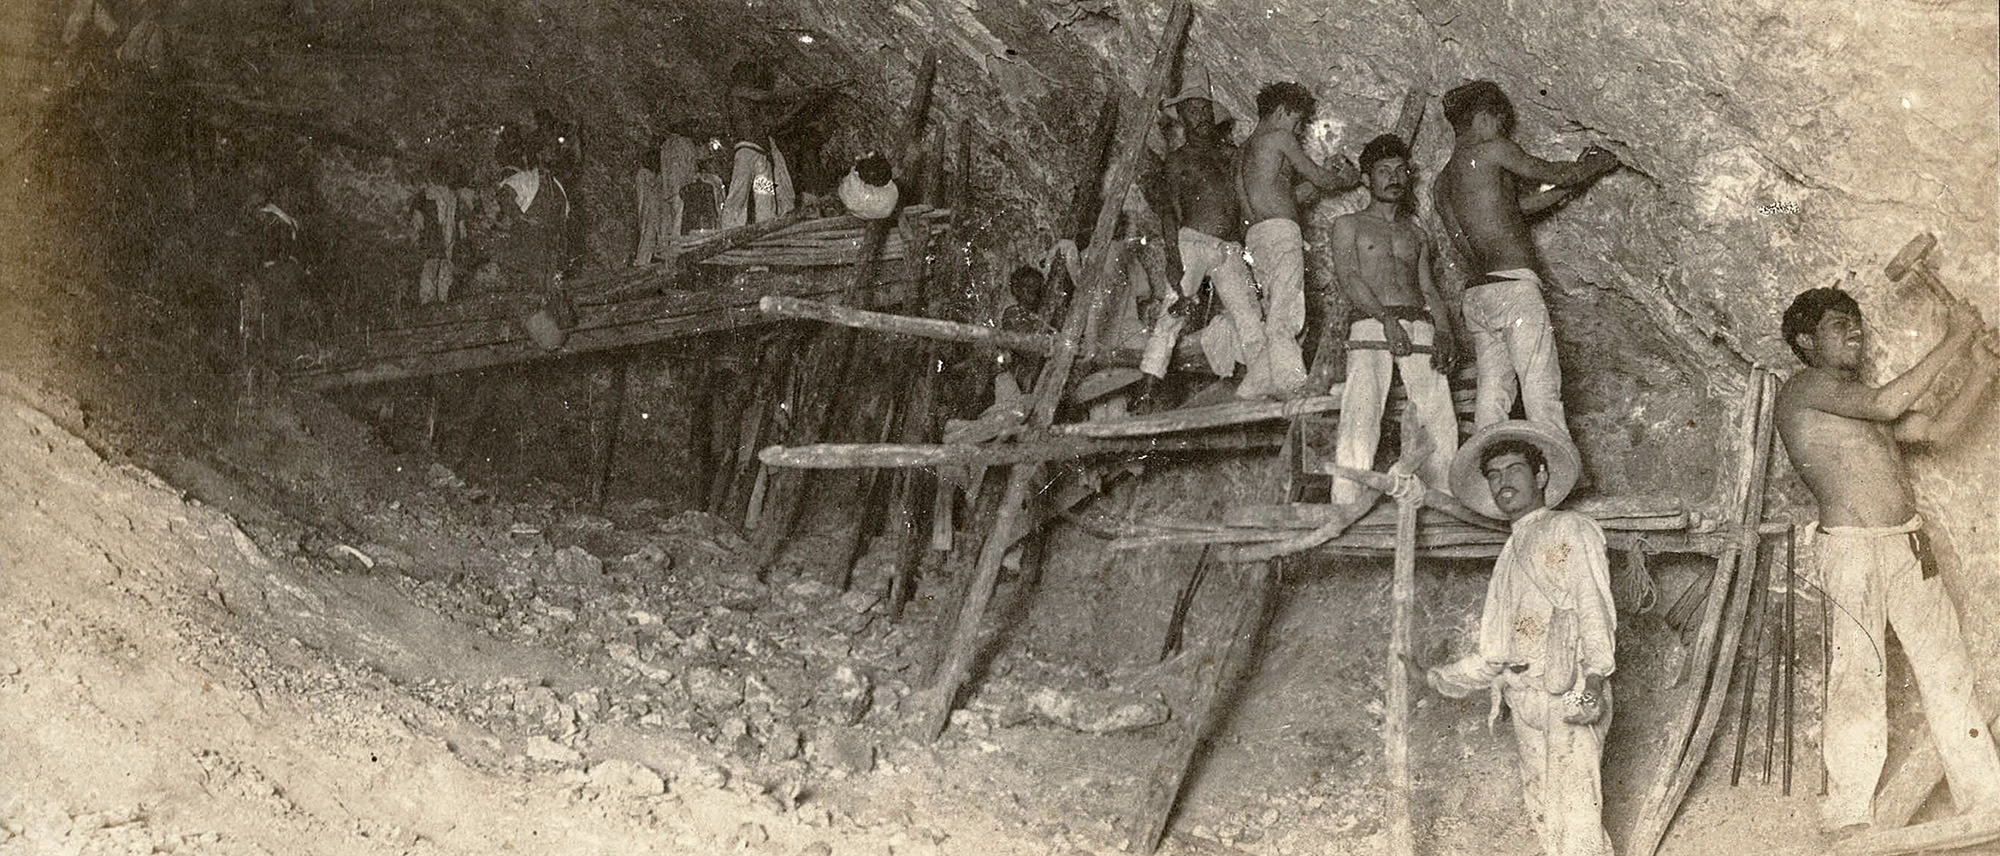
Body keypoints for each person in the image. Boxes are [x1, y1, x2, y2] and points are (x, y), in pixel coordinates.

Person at [1773, 286, 2000, 835]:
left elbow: (1937, 430)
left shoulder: (1856, 402)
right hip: (1852, 548)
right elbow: (1889, 405)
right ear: (1806, 342)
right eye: (1837, 324)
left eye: (1856, 321)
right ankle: (1849, 811)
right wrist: (1957, 337)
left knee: (1947, 667)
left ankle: (1986, 796)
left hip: (1906, 544)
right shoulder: (1804, 391)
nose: (1854, 330)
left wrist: (1983, 372)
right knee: (1858, 674)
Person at [1419, 420, 1615, 856]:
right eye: (1494, 475)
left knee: (1578, 821)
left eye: (1514, 469)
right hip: (1524, 700)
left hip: (1568, 691)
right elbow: (1497, 653)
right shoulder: (1509, 553)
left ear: (1541, 476)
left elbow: (1591, 603)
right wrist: (1436, 677)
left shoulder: (1570, 530)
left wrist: (1596, 680)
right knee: (1545, 816)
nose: (1503, 481)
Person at [1433, 81, 1618, 439]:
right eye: (1500, 124)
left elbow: (1515, 210)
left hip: (1479, 296)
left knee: (1493, 396)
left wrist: (1571, 184)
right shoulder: (1491, 150)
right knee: (1541, 389)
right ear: (1484, 120)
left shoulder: (1442, 182)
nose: (1502, 132)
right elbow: (1553, 172)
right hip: (1514, 289)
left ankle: (1486, 475)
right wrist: (1599, 162)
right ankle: (1557, 482)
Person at [1327, 134, 1460, 504]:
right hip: (1371, 322)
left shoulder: (1416, 233)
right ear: (1367, 179)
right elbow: (1350, 277)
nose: (1394, 177)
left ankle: (1442, 498)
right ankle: (1346, 502)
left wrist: (1445, 330)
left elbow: (1429, 288)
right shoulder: (1347, 225)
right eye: (1383, 171)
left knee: (1438, 414)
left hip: (1419, 324)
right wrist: (1385, 319)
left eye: (1400, 170)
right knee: (1361, 412)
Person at [1234, 81, 1361, 399]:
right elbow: (1317, 178)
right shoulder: (1279, 137)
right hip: (1281, 232)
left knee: (1273, 309)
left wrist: (1319, 182)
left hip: (1256, 236)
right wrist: (1347, 178)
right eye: (1298, 119)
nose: (1299, 128)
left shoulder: (1244, 152)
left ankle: (1255, 385)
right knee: (1287, 311)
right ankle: (1292, 382)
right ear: (1281, 111)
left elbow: (1284, 196)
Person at [1143, 64, 1262, 385]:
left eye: (1204, 109)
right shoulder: (1179, 160)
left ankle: (1262, 382)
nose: (1200, 117)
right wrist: (1172, 258)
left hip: (1229, 248)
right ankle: (1148, 387)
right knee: (1172, 314)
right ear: (1182, 118)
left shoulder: (1230, 155)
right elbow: (1169, 210)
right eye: (1192, 111)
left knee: (1249, 316)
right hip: (1192, 243)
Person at [720, 60, 829, 228]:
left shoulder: (753, 107)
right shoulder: (736, 92)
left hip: (761, 155)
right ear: (739, 76)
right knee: (738, 194)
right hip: (746, 152)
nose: (753, 78)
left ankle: (766, 227)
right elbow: (765, 96)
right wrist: (801, 92)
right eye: (749, 74)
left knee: (765, 196)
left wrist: (802, 103)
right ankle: (728, 230)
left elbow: (776, 123)